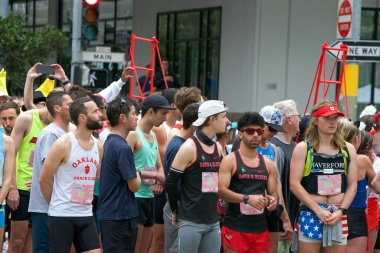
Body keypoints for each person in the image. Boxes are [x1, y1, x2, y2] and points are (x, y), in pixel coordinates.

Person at [290, 100, 357, 253]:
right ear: (315, 120)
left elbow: (353, 185)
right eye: (327, 118)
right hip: (311, 212)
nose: (332, 122)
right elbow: (294, 183)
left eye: (335, 118)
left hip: (338, 212)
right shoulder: (303, 148)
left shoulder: (348, 149)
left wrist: (342, 211)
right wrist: (318, 210)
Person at [39, 97, 103, 253]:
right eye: (95, 111)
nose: (100, 114)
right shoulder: (63, 144)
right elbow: (44, 180)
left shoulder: (99, 146)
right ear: (83, 117)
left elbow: (96, 177)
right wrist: (55, 203)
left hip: (86, 214)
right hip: (62, 215)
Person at [165, 100, 228, 253]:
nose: (227, 121)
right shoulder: (189, 147)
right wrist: (174, 210)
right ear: (211, 120)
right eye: (223, 117)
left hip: (212, 221)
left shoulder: (218, 147)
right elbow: (171, 182)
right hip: (190, 221)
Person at [218, 111, 278, 253]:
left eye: (259, 131)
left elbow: (274, 193)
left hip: (260, 229)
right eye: (250, 131)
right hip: (235, 227)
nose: (256, 135)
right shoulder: (230, 160)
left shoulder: (268, 164)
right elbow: (220, 191)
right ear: (240, 134)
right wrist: (246, 199)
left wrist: (273, 201)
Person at [126, 94, 174, 253]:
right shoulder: (133, 134)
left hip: (149, 196)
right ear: (151, 112)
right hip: (136, 197)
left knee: (145, 247)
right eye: (163, 114)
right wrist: (155, 176)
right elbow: (126, 168)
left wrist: (160, 179)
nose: (165, 118)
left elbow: (159, 164)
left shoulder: (153, 135)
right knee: (134, 246)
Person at [28, 91, 73, 253]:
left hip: (60, 207)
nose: (74, 107)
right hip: (45, 207)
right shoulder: (50, 134)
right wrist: (54, 202)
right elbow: (48, 174)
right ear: (57, 108)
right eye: (69, 104)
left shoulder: (69, 133)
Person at [8, 86, 52, 253]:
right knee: (17, 241)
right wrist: (12, 188)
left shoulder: (55, 126)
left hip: (40, 190)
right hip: (22, 188)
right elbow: (11, 154)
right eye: (38, 103)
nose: (39, 106)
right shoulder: (27, 119)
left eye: (43, 103)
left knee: (32, 242)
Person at [97, 96, 141, 253]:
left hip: (111, 215)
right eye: (134, 113)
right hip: (120, 216)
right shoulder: (122, 147)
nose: (137, 117)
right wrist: (139, 173)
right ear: (123, 117)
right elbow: (134, 186)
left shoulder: (110, 141)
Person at [338, 120, 380, 253]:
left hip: (333, 212)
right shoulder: (362, 160)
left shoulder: (330, 158)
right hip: (356, 214)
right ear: (356, 139)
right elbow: (377, 186)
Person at [163, 103, 199, 253]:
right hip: (176, 206)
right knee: (175, 249)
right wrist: (176, 209)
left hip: (180, 205)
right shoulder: (180, 146)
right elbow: (173, 182)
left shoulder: (183, 143)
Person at [258, 105, 292, 253]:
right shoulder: (244, 146)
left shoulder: (273, 150)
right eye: (271, 128)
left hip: (270, 210)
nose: (274, 133)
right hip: (250, 209)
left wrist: (285, 219)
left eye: (276, 129)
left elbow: (277, 187)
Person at [271, 99, 300, 251]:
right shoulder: (276, 148)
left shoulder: (295, 147)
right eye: (297, 116)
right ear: (289, 119)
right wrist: (285, 219)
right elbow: (277, 186)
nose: (300, 119)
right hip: (281, 223)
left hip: (293, 220)